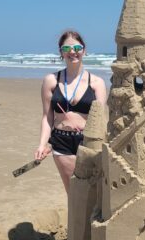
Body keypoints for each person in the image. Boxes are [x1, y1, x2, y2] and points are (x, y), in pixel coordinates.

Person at [35, 30, 107, 195]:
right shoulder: (51, 81)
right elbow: (47, 117)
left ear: (84, 50)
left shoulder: (97, 83)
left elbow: (100, 119)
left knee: (93, 193)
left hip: (88, 142)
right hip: (62, 141)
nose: (73, 52)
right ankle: (75, 222)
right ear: (61, 52)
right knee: (74, 193)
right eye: (67, 49)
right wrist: (42, 144)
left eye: (77, 47)